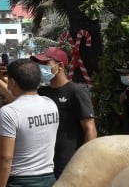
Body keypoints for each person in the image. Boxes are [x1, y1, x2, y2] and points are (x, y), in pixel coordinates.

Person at [30, 47, 96, 178]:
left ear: (60, 66)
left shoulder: (75, 92)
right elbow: (20, 103)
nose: (40, 67)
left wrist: (87, 161)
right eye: (39, 64)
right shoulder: (42, 92)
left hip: (69, 163)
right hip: (45, 164)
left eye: (45, 63)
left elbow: (90, 128)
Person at [0, 58, 59, 187]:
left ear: (12, 82)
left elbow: (4, 158)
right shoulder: (51, 104)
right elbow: (23, 106)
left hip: (20, 181)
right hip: (49, 179)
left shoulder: (8, 112)